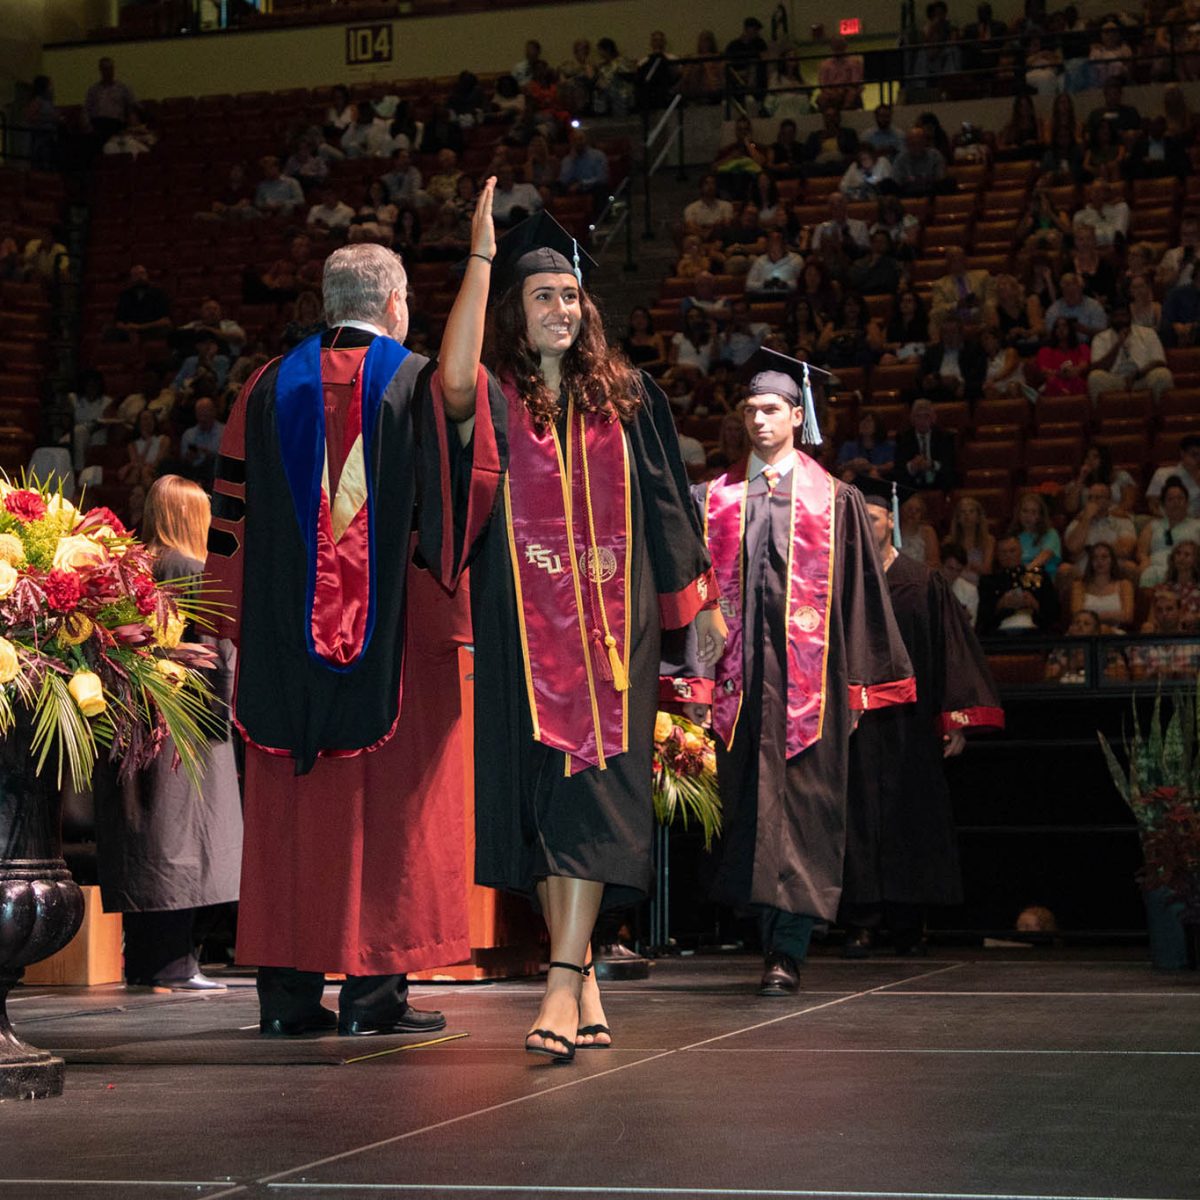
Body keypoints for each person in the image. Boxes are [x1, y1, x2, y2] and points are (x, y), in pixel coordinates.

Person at [427, 206, 726, 1060]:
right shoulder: (492, 400)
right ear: (514, 312)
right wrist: (481, 257)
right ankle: (582, 970)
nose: (562, 308)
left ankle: (560, 981)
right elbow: (447, 385)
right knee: (547, 805)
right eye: (544, 296)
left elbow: (669, 506)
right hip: (522, 635)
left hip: (611, 642)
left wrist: (697, 602)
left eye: (571, 296)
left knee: (593, 799)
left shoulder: (627, 398)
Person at [207, 237, 488, 1038]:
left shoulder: (263, 388)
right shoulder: (424, 385)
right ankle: (375, 999)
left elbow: (230, 522)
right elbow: (454, 515)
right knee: (389, 814)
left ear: (327, 305)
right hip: (396, 648)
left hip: (280, 650)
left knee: (293, 822)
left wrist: (233, 624)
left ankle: (288, 1000)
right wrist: (458, 624)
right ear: (396, 305)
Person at [666, 349, 914, 995]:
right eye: (750, 410)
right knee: (749, 813)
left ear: (797, 415)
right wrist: (694, 683)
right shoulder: (713, 500)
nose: (759, 420)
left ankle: (789, 950)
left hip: (813, 693)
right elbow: (694, 604)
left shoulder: (836, 502)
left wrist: (860, 686)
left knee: (804, 813)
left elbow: (861, 598)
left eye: (772, 409)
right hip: (738, 690)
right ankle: (767, 937)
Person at [840, 477, 1004, 955]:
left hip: (910, 727)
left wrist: (954, 718)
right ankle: (862, 921)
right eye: (857, 519)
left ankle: (909, 922)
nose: (865, 526)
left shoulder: (923, 580)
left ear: (890, 519)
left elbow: (951, 648)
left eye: (871, 517)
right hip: (858, 724)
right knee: (857, 819)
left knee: (910, 820)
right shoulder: (838, 583)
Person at [96, 476, 240, 992]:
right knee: (185, 843)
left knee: (145, 843)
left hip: (129, 719)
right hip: (185, 724)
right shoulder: (192, 568)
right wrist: (221, 720)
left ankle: (145, 963)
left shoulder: (127, 569)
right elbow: (216, 647)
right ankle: (177, 965)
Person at [1086, 305, 1173, 407]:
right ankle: (1103, 419)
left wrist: (1137, 375)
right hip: (1115, 379)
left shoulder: (1148, 333)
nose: (1120, 319)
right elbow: (1098, 367)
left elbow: (1159, 361)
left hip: (1142, 377)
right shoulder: (1100, 338)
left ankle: (1159, 418)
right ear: (1110, 318)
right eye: (1116, 316)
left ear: (1130, 316)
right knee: (1095, 377)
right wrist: (1117, 345)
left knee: (1163, 374)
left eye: (1123, 315)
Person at [977, 535, 1060, 634]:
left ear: (1021, 551)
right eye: (1003, 552)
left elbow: (1055, 613)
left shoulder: (1038, 576)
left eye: (1012, 551)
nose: (1008, 555)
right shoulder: (989, 581)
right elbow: (982, 618)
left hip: (1036, 633)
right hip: (1000, 635)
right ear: (997, 555)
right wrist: (1000, 604)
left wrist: (1034, 604)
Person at [1063, 479, 1138, 575]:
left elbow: (1126, 549)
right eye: (1090, 498)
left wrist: (1091, 549)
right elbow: (1073, 548)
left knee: (1131, 567)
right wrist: (1086, 519)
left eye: (1098, 498)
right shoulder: (1078, 522)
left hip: (1114, 569)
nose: (1093, 502)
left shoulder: (1122, 521)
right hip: (1084, 569)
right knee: (1064, 569)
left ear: (1109, 502)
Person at [1136, 477, 1200, 587]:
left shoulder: (1197, 525)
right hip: (1156, 569)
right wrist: (1144, 562)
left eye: (1180, 499)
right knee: (1146, 575)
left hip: (1188, 571)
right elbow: (1142, 552)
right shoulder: (1153, 525)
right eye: (1170, 499)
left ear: (1187, 503)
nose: (1176, 503)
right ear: (1163, 504)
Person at [894, 397, 956, 492]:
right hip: (911, 485)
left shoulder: (944, 437)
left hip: (938, 485)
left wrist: (931, 465)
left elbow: (949, 465)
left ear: (933, 418)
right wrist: (912, 466)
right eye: (918, 416)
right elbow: (899, 468)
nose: (922, 420)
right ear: (912, 419)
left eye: (926, 416)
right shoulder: (903, 438)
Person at [1069, 541, 1134, 630]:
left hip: (1114, 635)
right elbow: (1076, 615)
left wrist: (1093, 619)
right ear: (1090, 562)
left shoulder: (1124, 585)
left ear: (1112, 560)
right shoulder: (1079, 585)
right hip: (1085, 634)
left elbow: (1128, 616)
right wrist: (1112, 616)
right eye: (1095, 557)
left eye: (1104, 557)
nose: (1099, 561)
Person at [1146, 434, 1200, 517]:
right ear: (1182, 453)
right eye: (1194, 455)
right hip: (1171, 521)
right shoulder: (1163, 474)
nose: (1198, 459)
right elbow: (1153, 506)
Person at [84, 56, 135, 145]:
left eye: (110, 68)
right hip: (97, 125)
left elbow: (131, 108)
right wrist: (88, 126)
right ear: (100, 70)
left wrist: (130, 126)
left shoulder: (123, 88)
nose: (108, 71)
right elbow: (86, 110)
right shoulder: (93, 90)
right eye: (105, 69)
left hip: (116, 125)